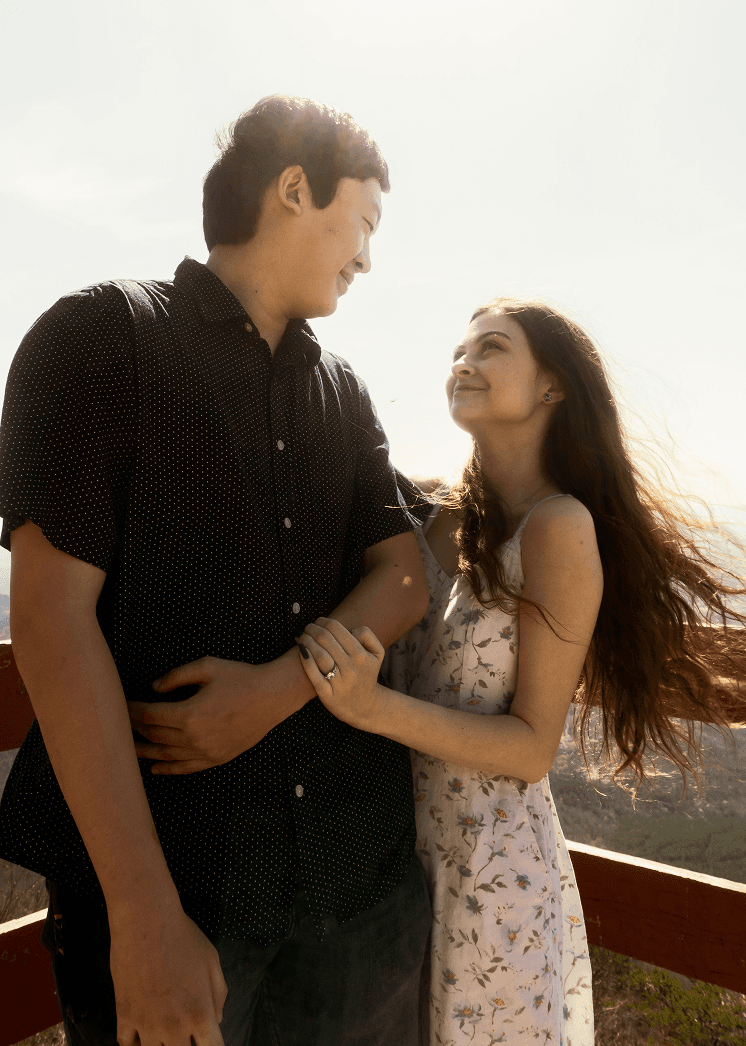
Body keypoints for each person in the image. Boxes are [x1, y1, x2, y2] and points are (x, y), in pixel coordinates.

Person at [0, 95, 433, 1046]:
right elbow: (49, 623)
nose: (367, 259)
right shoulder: (97, 336)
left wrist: (280, 689)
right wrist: (143, 914)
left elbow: (405, 575)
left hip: (360, 894)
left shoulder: (343, 387)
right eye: (362, 223)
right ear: (293, 189)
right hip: (180, 904)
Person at [296, 296, 745, 1045]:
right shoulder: (436, 517)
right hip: (397, 874)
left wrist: (369, 708)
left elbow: (533, 745)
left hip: (491, 880)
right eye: (457, 351)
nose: (462, 362)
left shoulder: (559, 527)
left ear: (551, 388)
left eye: (492, 348)